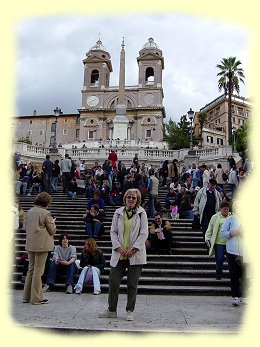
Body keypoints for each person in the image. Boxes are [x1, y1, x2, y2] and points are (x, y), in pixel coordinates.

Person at [99, 188, 148, 321]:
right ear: (125, 199)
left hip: (135, 255)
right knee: (113, 281)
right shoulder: (118, 212)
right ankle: (112, 309)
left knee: (132, 284)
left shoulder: (142, 213)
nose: (131, 199)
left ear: (137, 200)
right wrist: (119, 247)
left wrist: (134, 249)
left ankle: (130, 310)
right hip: (120, 253)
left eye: (134, 197)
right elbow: (113, 231)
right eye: (129, 197)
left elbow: (144, 233)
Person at [22, 192, 56, 304]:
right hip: (42, 245)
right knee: (38, 271)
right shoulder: (46, 213)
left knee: (30, 270)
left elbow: (25, 226)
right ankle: (36, 297)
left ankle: (26, 296)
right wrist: (54, 223)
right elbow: (52, 230)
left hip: (30, 244)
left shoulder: (30, 211)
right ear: (46, 202)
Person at [220, 204, 246, 306]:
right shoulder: (230, 219)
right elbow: (223, 233)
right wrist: (232, 233)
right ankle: (235, 296)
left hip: (246, 251)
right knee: (234, 274)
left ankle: (244, 296)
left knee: (244, 274)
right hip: (232, 250)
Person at [205, 201, 231, 280]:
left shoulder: (232, 216)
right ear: (221, 209)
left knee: (231, 260)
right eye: (224, 209)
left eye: (227, 209)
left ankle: (233, 274)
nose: (226, 211)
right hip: (219, 242)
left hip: (230, 242)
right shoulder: (215, 217)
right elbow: (210, 228)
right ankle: (218, 274)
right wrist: (207, 238)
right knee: (219, 259)